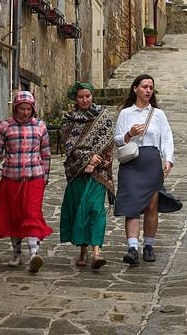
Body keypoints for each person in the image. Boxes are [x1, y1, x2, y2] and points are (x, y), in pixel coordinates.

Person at [0, 90, 53, 273]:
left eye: (29, 109)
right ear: (15, 108)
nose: (25, 112)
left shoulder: (40, 127)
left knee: (31, 214)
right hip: (11, 179)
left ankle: (34, 254)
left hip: (34, 178)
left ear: (33, 109)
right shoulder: (5, 127)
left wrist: (45, 177)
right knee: (14, 216)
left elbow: (46, 154)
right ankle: (17, 253)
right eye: (22, 108)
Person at [113, 74, 182, 266]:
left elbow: (167, 138)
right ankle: (132, 247)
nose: (148, 90)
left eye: (151, 87)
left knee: (152, 206)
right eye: (144, 87)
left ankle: (149, 245)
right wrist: (129, 134)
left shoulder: (158, 115)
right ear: (135, 89)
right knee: (132, 205)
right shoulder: (125, 113)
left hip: (151, 162)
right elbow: (117, 140)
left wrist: (168, 159)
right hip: (131, 162)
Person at [58, 81, 115, 269]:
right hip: (77, 172)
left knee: (95, 209)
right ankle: (83, 251)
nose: (85, 100)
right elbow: (69, 146)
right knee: (80, 209)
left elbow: (108, 142)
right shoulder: (69, 120)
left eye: (88, 96)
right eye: (81, 97)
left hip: (99, 173)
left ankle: (97, 252)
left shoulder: (103, 116)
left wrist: (96, 162)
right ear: (76, 98)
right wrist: (87, 160)